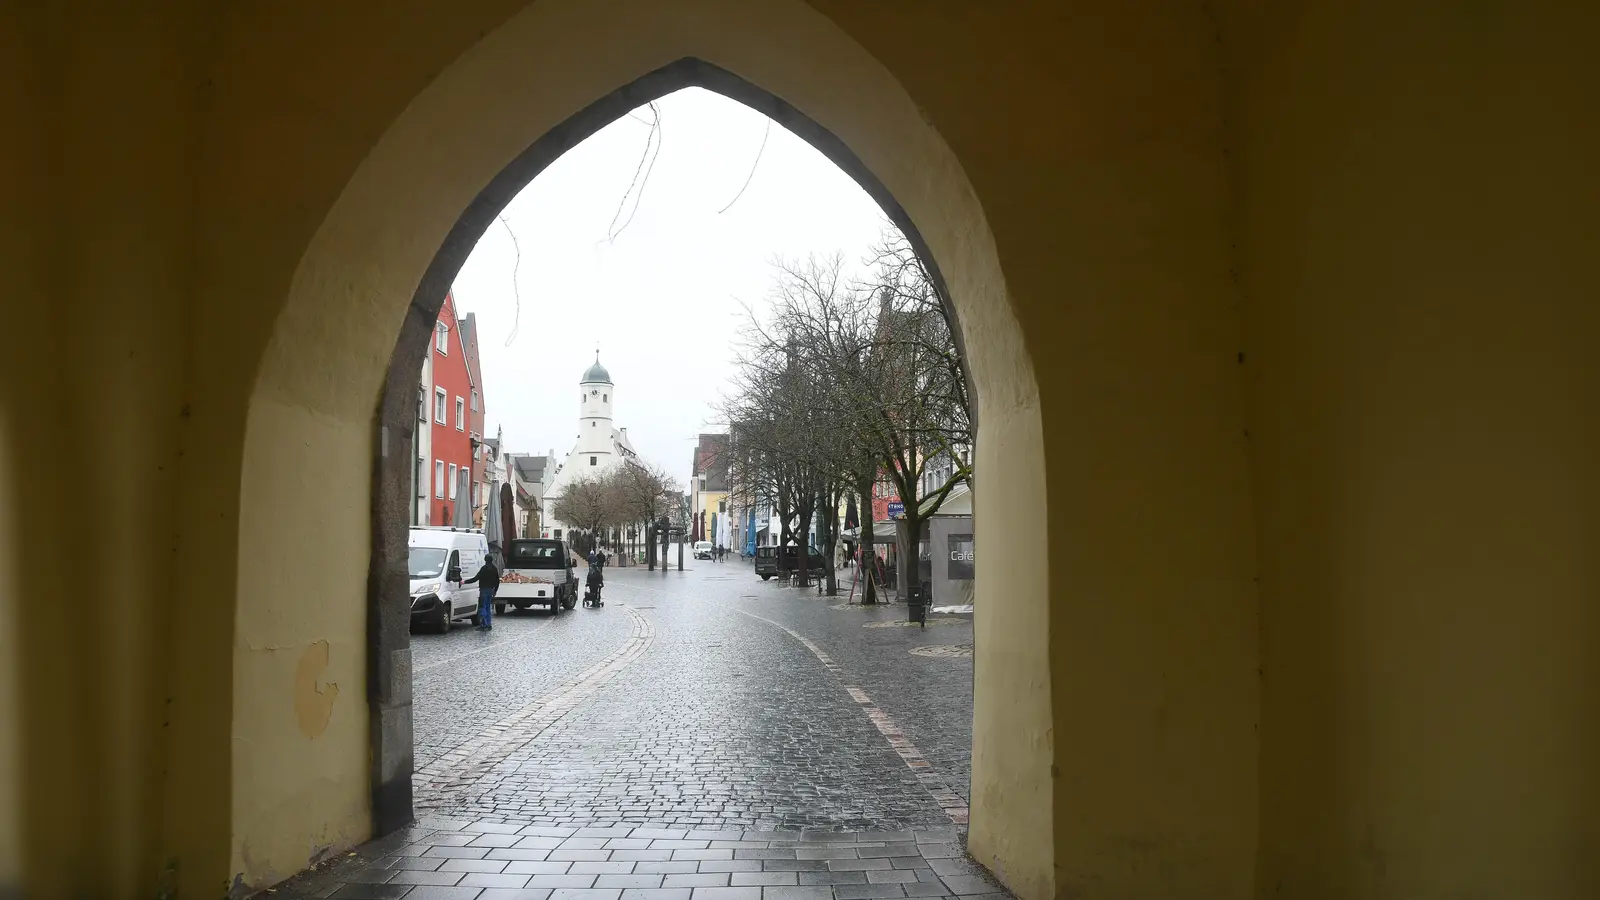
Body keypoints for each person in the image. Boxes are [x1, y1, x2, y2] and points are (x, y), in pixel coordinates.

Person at [463, 553, 500, 631]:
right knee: (488, 607)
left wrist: (464, 582)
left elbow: (475, 578)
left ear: (485, 560)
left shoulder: (484, 569)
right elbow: (497, 581)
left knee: (482, 607)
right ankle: (489, 624)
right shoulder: (494, 569)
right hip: (491, 590)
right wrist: (495, 590)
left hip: (483, 590)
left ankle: (483, 624)